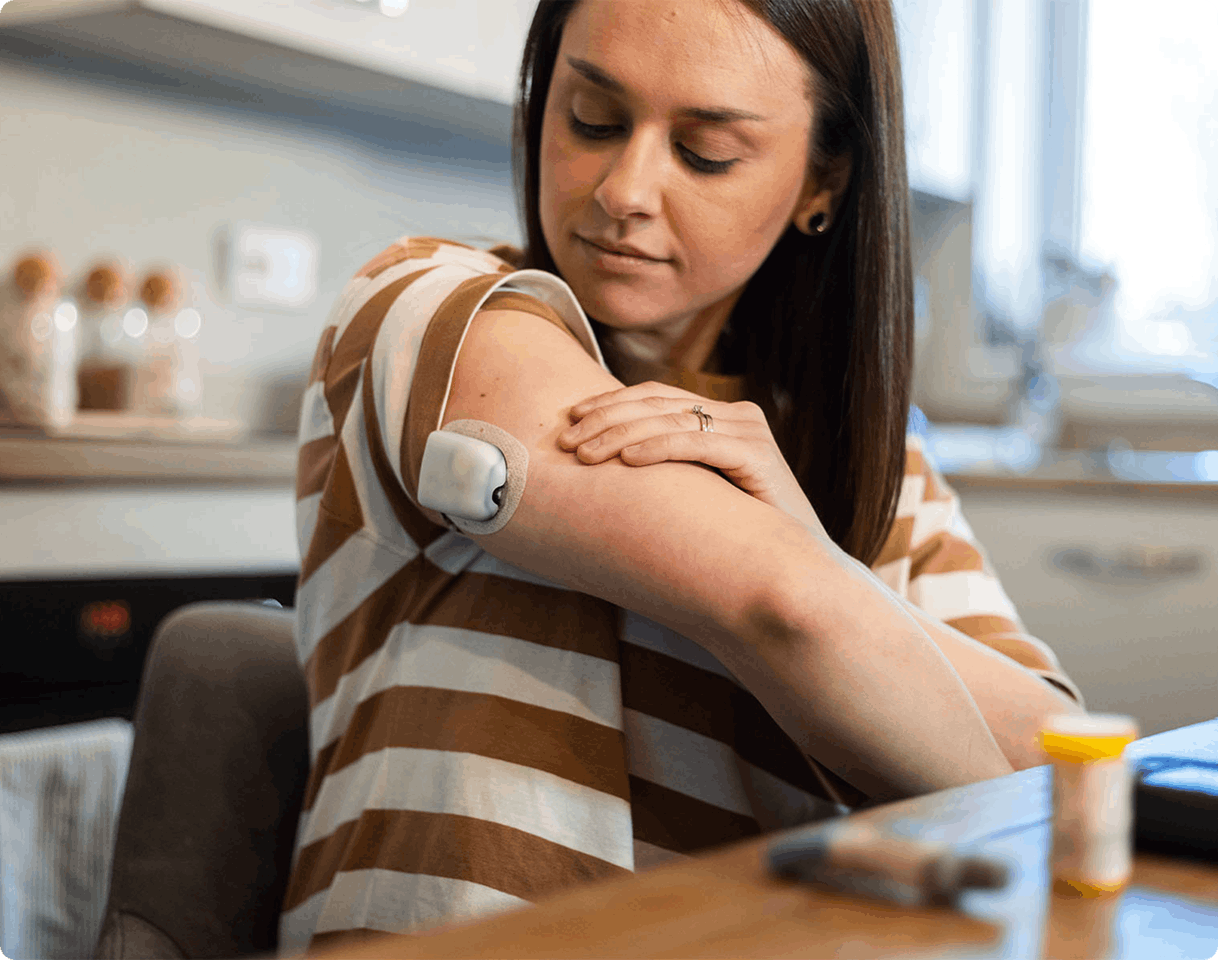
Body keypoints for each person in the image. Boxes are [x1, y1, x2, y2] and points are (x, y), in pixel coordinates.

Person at [278, 0, 1084, 952]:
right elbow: (783, 608)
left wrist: (822, 563)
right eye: (591, 118)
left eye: (704, 151)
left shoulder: (877, 459)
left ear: (822, 180)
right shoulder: (428, 314)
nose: (625, 188)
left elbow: (1060, 755)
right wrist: (821, 580)